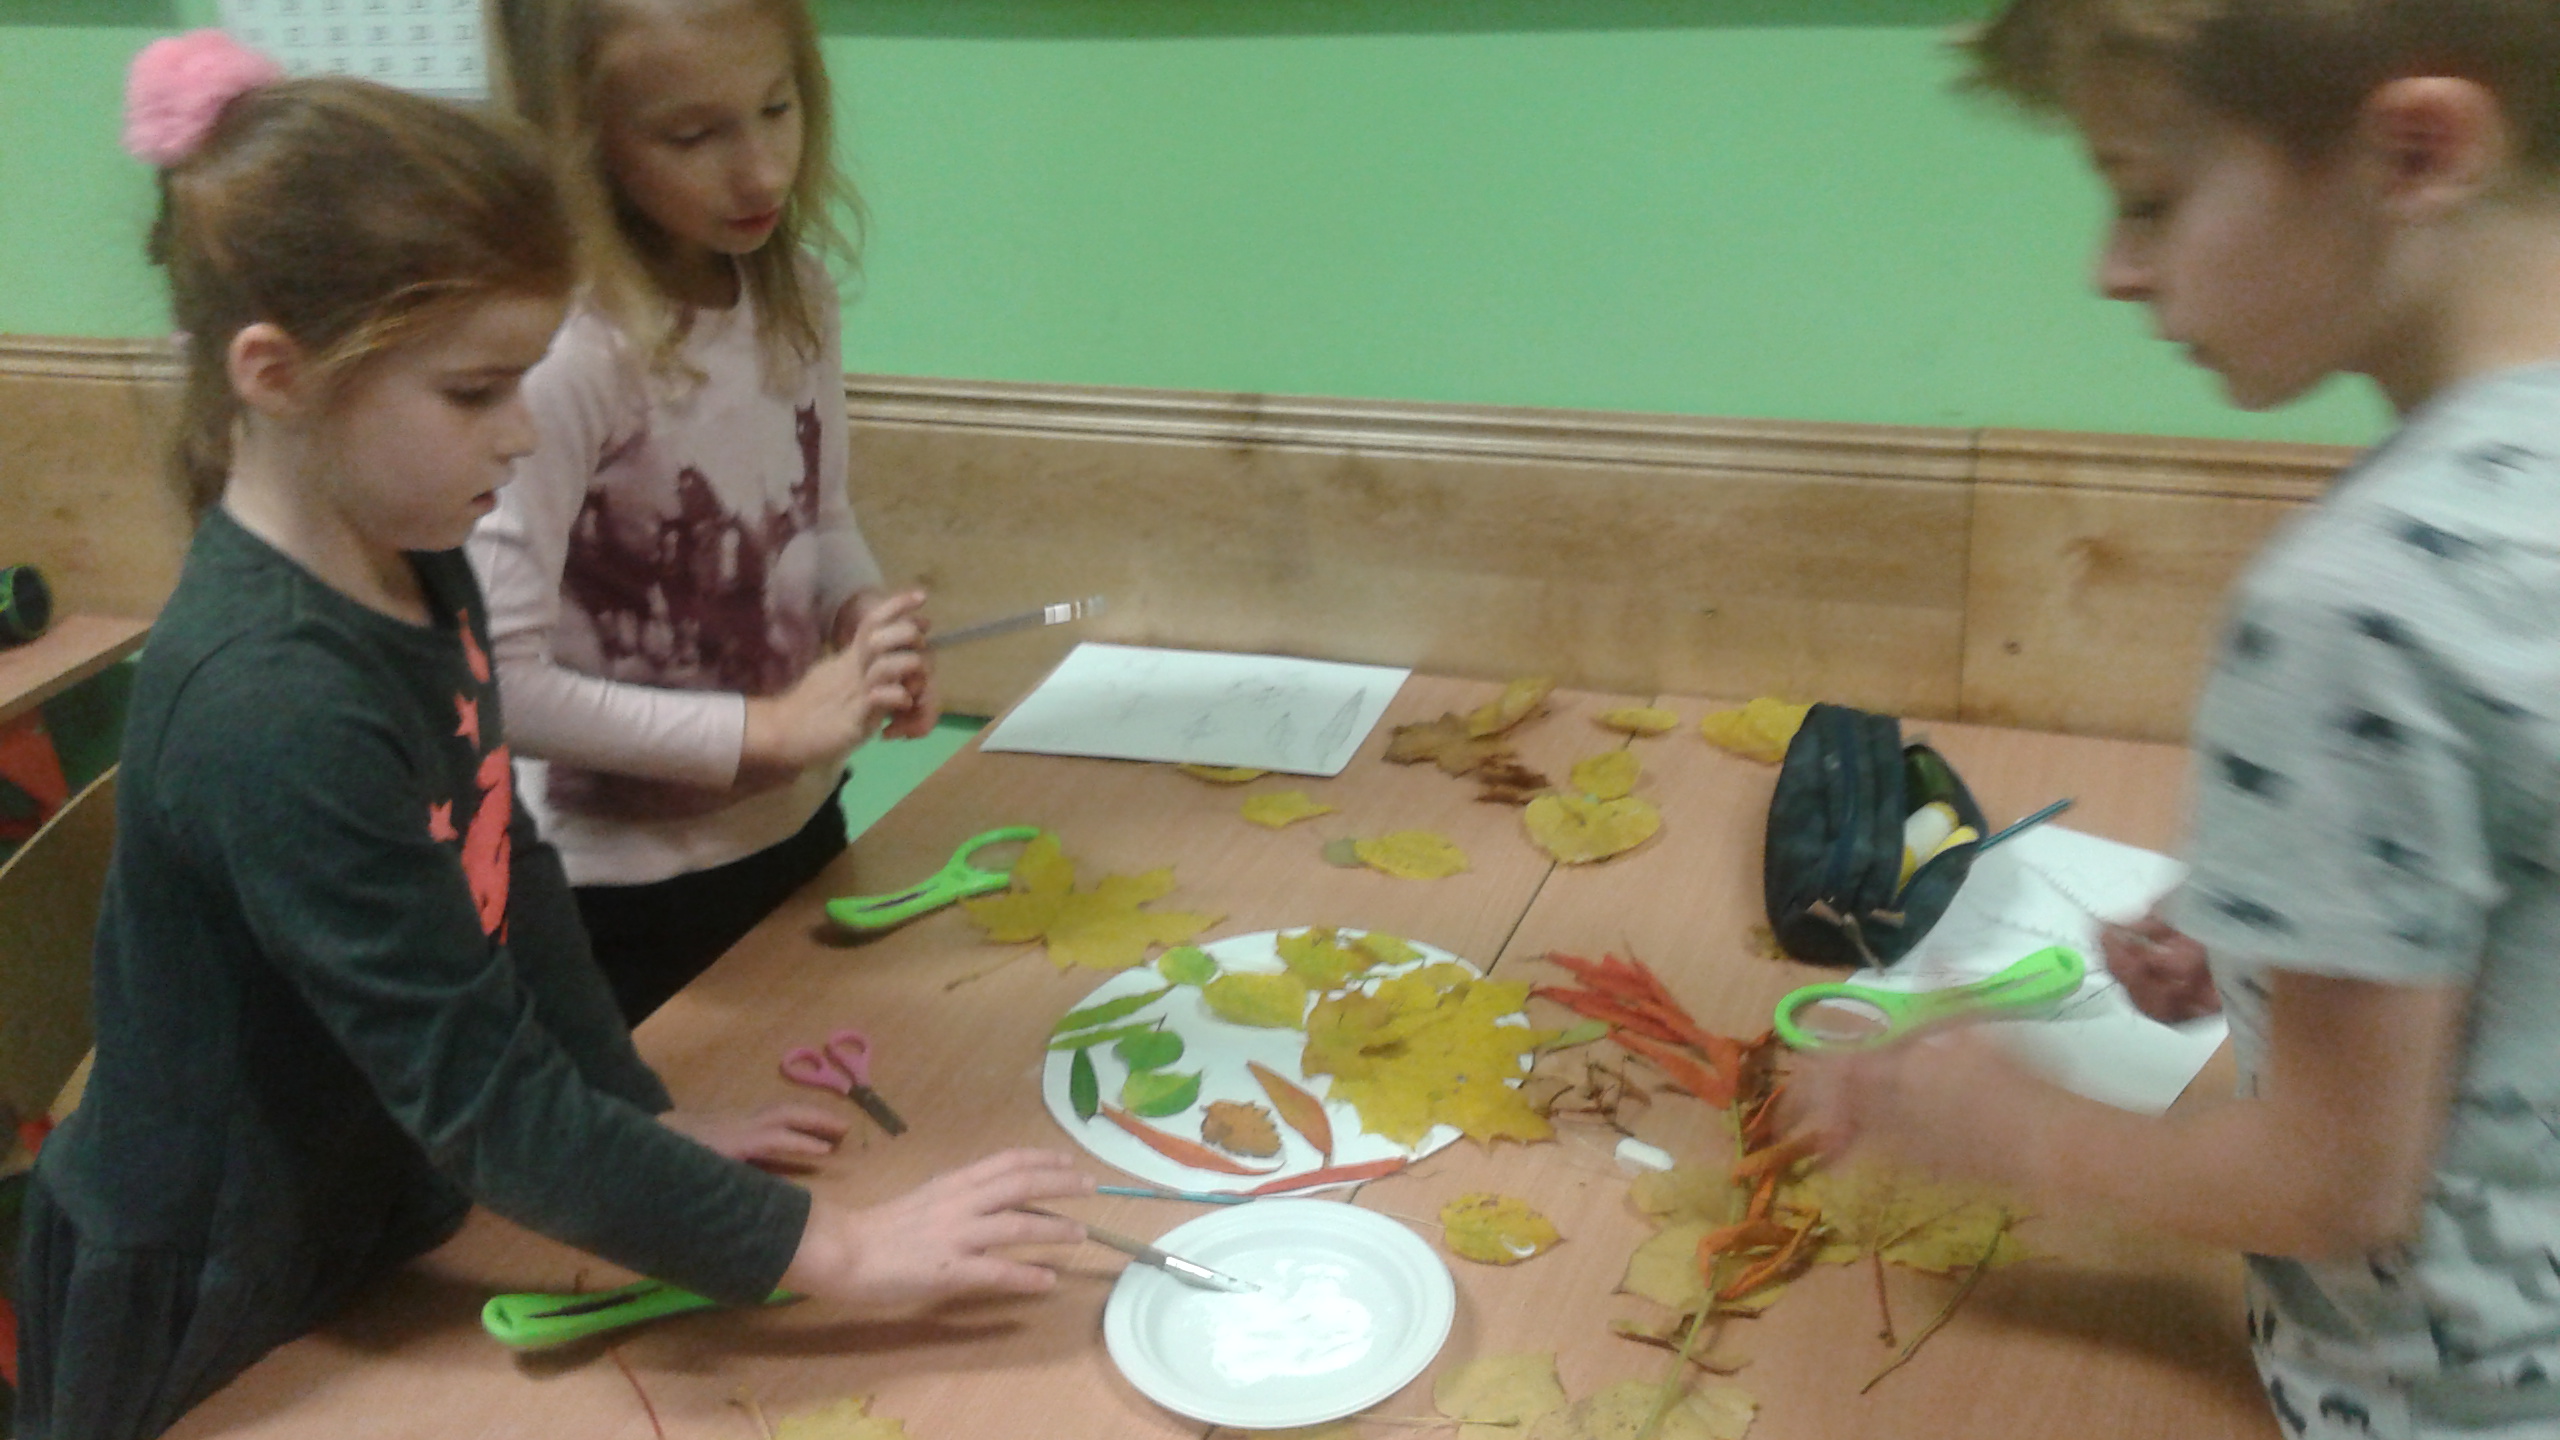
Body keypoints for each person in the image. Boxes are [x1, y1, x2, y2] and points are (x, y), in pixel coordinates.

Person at [14, 37, 1084, 1440]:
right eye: (476, 392)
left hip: (387, 1211)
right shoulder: (272, 707)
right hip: (218, 1288)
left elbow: (503, 863)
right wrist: (842, 1253)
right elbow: (483, 1097)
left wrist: (629, 1110)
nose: (520, 436)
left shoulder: (415, 557)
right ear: (275, 374)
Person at [1799, 2, 2560, 1434]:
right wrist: (2294, 930)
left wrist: (2005, 1126)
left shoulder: (2358, 602)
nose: (2113, 269)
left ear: (2415, 152)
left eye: (2148, 196)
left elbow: (2332, 1190)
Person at [471, 0, 936, 1024]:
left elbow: (819, 515)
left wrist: (861, 615)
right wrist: (764, 729)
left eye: (776, 108)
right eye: (691, 136)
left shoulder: (795, 294)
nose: (761, 172)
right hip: (611, 898)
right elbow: (497, 685)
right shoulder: (566, 356)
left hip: (794, 829)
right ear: (580, 141)